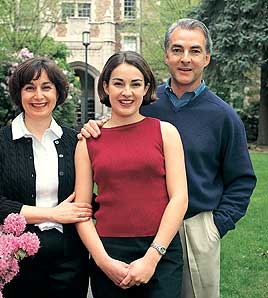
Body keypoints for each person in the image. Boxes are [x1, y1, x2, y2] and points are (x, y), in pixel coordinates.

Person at [79, 19, 257, 298]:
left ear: (207, 58)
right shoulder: (144, 100)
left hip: (196, 225)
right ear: (166, 55)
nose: (185, 59)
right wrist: (97, 125)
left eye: (195, 51)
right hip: (137, 226)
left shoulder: (223, 116)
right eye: (177, 50)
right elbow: (121, 126)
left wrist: (214, 226)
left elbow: (242, 180)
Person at [74, 51, 188, 298]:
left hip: (160, 250)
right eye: (118, 83)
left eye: (135, 84)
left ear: (146, 88)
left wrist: (152, 257)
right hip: (108, 251)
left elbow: (179, 198)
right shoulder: (88, 141)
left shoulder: (166, 133)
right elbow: (81, 211)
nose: (127, 92)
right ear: (105, 86)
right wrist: (104, 262)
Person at [0, 57, 92, 298]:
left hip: (69, 259)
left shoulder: (76, 142)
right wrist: (52, 214)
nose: (38, 95)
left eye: (46, 87)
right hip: (17, 260)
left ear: (58, 93)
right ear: (19, 94)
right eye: (30, 88)